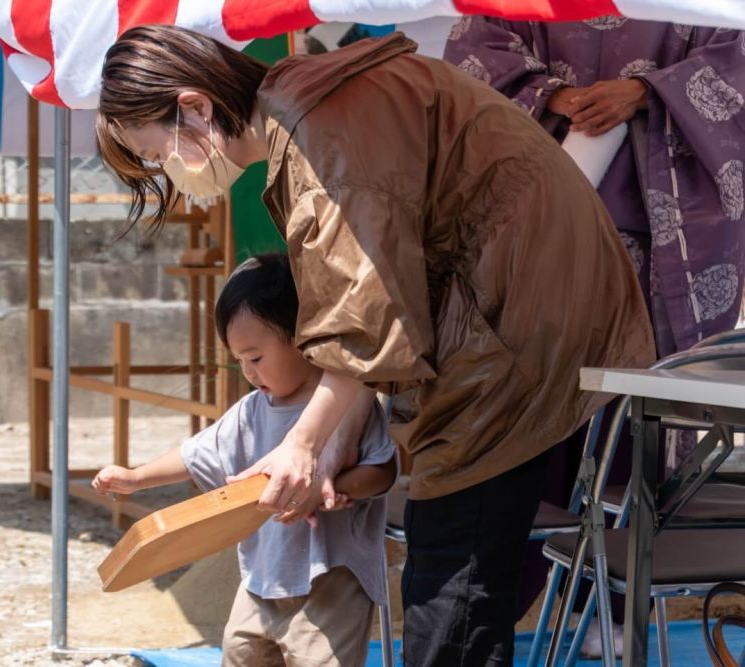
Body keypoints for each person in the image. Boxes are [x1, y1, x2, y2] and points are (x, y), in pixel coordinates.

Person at [95, 25, 655, 665]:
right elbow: (373, 313)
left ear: (195, 107)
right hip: (512, 314)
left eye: (162, 149)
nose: (175, 169)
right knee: (447, 568)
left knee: (452, 584)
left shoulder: (319, 126)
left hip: (514, 326)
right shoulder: (306, 109)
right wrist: (326, 443)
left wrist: (304, 446)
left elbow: (368, 309)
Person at [444, 18, 745, 656]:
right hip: (542, 228)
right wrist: (550, 93)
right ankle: (504, 593)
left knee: (635, 419)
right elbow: (475, 51)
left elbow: (736, 53)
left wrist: (645, 93)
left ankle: (610, 601)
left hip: (660, 237)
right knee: (534, 406)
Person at [93, 253, 398, 667]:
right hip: (259, 580)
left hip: (331, 580)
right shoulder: (251, 412)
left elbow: (383, 471)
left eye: (256, 357)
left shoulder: (345, 404)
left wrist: (333, 488)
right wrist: (136, 477)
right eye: (239, 361)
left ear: (304, 340)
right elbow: (193, 453)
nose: (249, 372)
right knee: (238, 657)